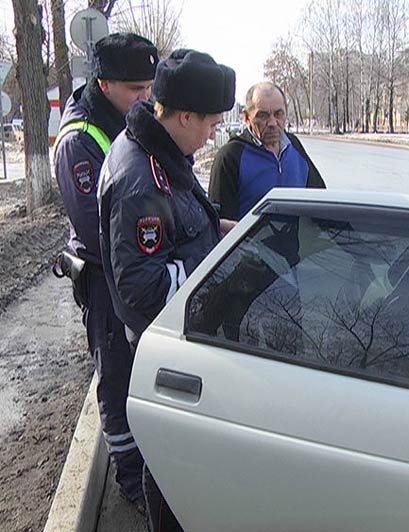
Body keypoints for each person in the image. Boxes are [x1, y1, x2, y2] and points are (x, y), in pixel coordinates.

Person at [98, 48, 235, 532]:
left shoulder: (163, 151)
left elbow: (180, 228)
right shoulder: (141, 178)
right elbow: (143, 287)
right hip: (164, 348)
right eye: (212, 123)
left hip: (177, 340)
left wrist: (219, 229)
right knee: (170, 475)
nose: (215, 132)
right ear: (182, 116)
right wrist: (219, 268)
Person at [53, 32, 158, 510]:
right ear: (105, 82)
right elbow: (97, 228)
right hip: (105, 278)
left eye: (149, 86)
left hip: (136, 271)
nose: (146, 97)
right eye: (136, 88)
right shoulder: (80, 139)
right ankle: (132, 484)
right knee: (117, 377)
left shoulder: (127, 120)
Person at [208, 81, 325, 222]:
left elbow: (321, 202)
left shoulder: (294, 146)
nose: (272, 123)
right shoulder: (231, 157)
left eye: (278, 114)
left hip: (292, 244)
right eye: (263, 116)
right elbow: (218, 225)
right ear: (247, 117)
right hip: (247, 245)